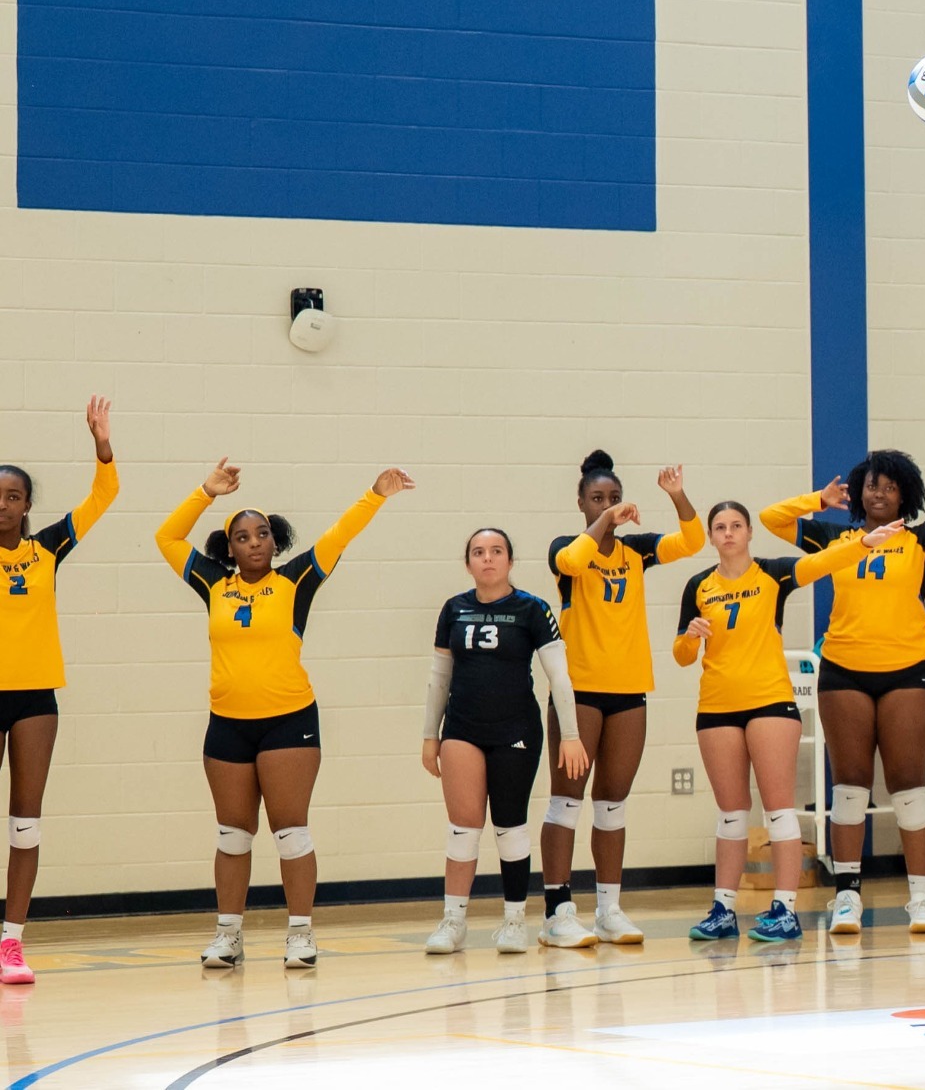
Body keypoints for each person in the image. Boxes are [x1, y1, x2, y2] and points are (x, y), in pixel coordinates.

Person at [157, 459, 415, 968]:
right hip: (227, 723)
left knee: (290, 830)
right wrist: (205, 492)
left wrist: (376, 494)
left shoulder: (296, 580)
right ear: (227, 548)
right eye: (242, 536)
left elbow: (340, 535)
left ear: (275, 542)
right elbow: (167, 538)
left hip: (289, 721)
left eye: (262, 534)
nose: (253, 542)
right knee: (232, 834)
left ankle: (300, 933)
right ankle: (228, 935)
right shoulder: (212, 583)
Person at [675, 502, 898, 942]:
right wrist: (689, 637)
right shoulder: (698, 585)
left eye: (736, 525)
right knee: (731, 815)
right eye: (719, 527)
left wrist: (862, 545)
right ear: (712, 535)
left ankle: (786, 909)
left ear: (749, 531)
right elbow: (682, 657)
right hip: (717, 705)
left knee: (778, 810)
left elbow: (819, 562)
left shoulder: (771, 574)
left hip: (770, 702)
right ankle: (723, 910)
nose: (728, 533)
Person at [759, 450, 925, 935]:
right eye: (871, 485)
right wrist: (817, 500)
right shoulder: (834, 536)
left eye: (889, 486)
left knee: (909, 786)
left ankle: (921, 900)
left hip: (909, 670)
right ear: (859, 491)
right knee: (849, 787)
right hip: (844, 670)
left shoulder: (923, 540)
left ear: (905, 493)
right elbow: (770, 518)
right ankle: (847, 898)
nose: (878, 493)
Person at [541, 451, 703, 949]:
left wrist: (675, 495)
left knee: (612, 804)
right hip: (580, 692)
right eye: (597, 499)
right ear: (581, 503)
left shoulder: (638, 552)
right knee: (567, 801)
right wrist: (606, 523)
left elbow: (693, 541)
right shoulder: (567, 548)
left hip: (629, 691)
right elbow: (572, 561)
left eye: (614, 498)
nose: (608, 506)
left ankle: (609, 908)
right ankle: (557, 912)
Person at [423, 528, 590, 955]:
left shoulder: (532, 609)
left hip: (515, 729)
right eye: (478, 552)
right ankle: (453, 922)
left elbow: (560, 675)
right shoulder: (453, 609)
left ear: (510, 561)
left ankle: (514, 920)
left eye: (496, 551)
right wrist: (430, 735)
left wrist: (570, 735)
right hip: (462, 729)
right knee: (463, 829)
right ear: (468, 564)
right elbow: (439, 678)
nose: (488, 559)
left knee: (509, 825)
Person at [0, 396, 117, 985]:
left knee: (26, 822)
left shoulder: (45, 549)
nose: (2, 505)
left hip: (34, 697)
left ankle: (11, 944)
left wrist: (101, 448)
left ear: (26, 506)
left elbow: (102, 500)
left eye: (13, 496)